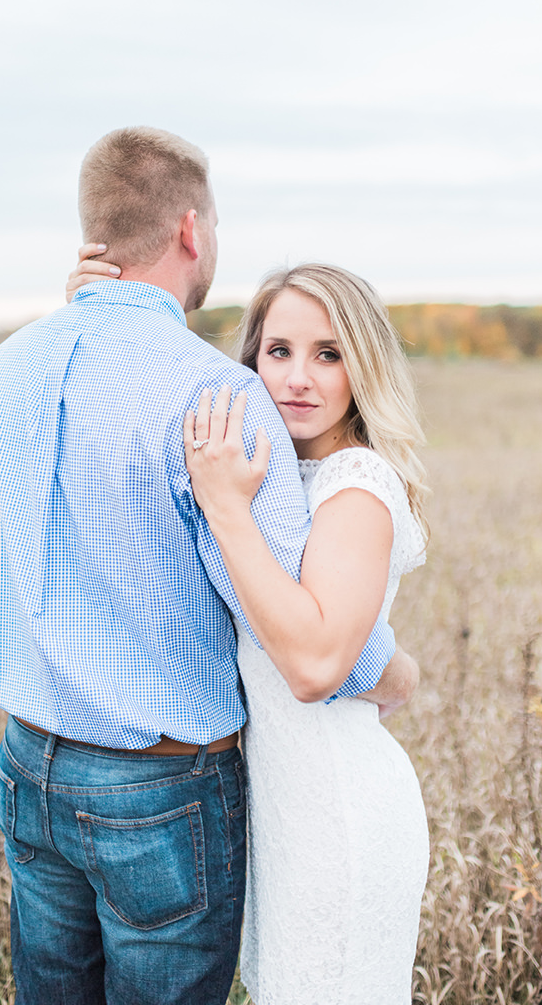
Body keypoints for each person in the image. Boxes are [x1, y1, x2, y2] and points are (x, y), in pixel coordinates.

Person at [0, 127, 412, 1005]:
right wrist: (388, 666)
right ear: (192, 230)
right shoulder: (220, 403)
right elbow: (291, 626)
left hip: (26, 763)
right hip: (162, 787)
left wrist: (47, 670)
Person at [69, 255, 430, 1004]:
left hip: (337, 811)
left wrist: (226, 508)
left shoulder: (353, 486)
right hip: (276, 807)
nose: (298, 377)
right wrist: (101, 305)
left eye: (328, 354)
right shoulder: (272, 472)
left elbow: (310, 668)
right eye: (279, 351)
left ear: (362, 365)